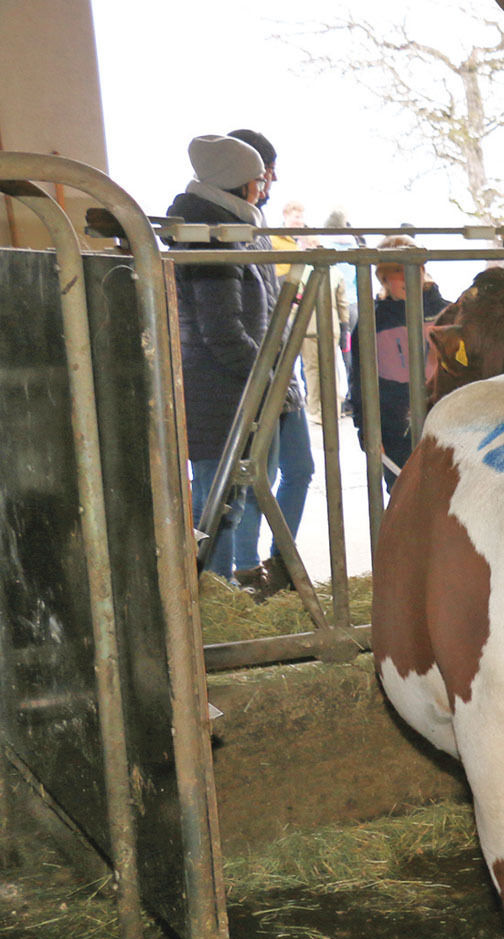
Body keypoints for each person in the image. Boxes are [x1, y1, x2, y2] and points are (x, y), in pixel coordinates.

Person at [165, 134, 274, 580]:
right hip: (217, 392)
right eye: (255, 179)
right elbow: (221, 329)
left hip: (218, 389)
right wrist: (265, 374)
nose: (261, 186)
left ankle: (216, 589)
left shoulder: (215, 229)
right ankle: (213, 591)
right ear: (238, 184)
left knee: (222, 498)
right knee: (217, 502)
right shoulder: (212, 239)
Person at [222, 129, 313, 597]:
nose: (270, 179)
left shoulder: (254, 226)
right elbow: (230, 320)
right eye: (265, 171)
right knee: (259, 475)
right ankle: (245, 568)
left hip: (281, 369)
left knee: (300, 469)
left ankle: (280, 562)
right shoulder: (231, 231)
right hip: (259, 374)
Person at [345, 235, 449, 496]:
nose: (407, 279)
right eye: (397, 273)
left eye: (415, 270)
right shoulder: (371, 322)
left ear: (424, 270)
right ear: (382, 278)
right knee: (405, 496)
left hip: (446, 420)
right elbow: (360, 383)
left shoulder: (448, 314)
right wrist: (368, 430)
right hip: (395, 428)